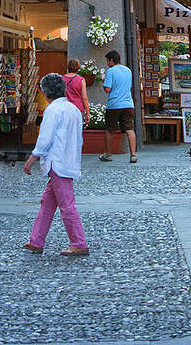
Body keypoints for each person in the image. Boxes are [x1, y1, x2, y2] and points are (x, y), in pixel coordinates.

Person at [23, 73, 88, 256]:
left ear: (45, 93)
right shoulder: (74, 110)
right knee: (48, 202)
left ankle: (79, 242)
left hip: (56, 162)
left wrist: (32, 158)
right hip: (68, 161)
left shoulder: (52, 111)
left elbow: (45, 139)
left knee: (66, 204)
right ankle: (36, 240)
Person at [100, 50, 137, 164]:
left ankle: (108, 154)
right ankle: (133, 155)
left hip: (114, 105)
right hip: (128, 104)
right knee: (129, 129)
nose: (107, 63)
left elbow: (107, 89)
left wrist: (103, 80)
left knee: (110, 129)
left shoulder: (111, 71)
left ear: (111, 60)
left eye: (107, 60)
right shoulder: (128, 70)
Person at [62, 58, 91, 126]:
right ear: (78, 68)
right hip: (77, 108)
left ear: (68, 67)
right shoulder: (81, 80)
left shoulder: (61, 78)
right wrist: (87, 113)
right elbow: (84, 98)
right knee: (76, 132)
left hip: (65, 108)